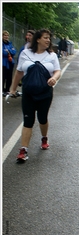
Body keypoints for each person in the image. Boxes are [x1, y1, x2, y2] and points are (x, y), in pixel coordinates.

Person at [8, 28, 61, 163]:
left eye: (49, 38)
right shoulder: (25, 53)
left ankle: (44, 138)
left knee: (42, 118)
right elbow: (19, 72)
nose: (48, 40)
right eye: (45, 37)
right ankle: (23, 150)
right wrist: (13, 89)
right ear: (37, 39)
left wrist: (54, 78)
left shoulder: (52, 55)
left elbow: (57, 71)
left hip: (45, 92)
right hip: (28, 93)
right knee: (28, 120)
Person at [2, 30, 17, 96]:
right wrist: (9, 51)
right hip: (3, 63)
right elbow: (3, 53)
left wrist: (9, 51)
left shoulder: (10, 43)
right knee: (3, 77)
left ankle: (7, 89)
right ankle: (2, 90)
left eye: (7, 35)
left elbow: (14, 52)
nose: (6, 37)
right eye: (4, 35)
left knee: (9, 77)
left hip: (10, 62)